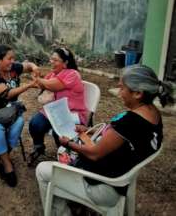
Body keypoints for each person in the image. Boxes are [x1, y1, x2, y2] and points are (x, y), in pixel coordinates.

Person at [36, 65, 174, 215]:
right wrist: (91, 130)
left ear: (138, 93)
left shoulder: (129, 122)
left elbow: (94, 154)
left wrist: (68, 143)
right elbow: (119, 136)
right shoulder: (153, 114)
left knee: (43, 170)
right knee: (67, 153)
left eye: (122, 88)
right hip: (117, 175)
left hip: (103, 187)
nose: (119, 93)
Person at [0, 44, 39, 187]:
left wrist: (34, 68)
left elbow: (28, 65)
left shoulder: (13, 68)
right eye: (9, 58)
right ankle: (7, 165)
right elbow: (7, 94)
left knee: (19, 122)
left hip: (8, 111)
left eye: (13, 58)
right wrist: (29, 85)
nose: (13, 61)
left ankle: (4, 156)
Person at [28, 47, 87, 165]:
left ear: (65, 63)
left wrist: (38, 78)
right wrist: (37, 78)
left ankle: (67, 156)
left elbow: (52, 86)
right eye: (51, 59)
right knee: (35, 123)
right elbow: (43, 85)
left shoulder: (72, 74)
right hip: (55, 111)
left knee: (59, 132)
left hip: (72, 113)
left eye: (55, 60)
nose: (51, 62)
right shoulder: (53, 74)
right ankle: (39, 147)